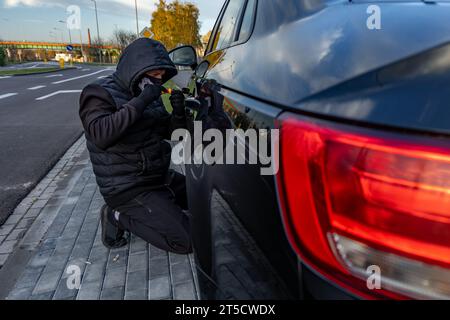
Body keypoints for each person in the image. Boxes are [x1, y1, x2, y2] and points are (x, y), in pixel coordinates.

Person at [79, 38, 192, 254]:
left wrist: (178, 114)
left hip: (157, 178)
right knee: (187, 240)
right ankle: (116, 216)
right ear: (137, 70)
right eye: (154, 75)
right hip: (128, 188)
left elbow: (169, 132)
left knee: (208, 204)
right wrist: (141, 102)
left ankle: (162, 208)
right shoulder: (97, 92)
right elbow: (101, 134)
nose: (158, 81)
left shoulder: (149, 92)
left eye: (161, 77)